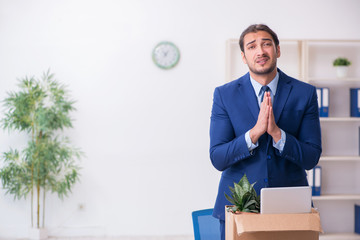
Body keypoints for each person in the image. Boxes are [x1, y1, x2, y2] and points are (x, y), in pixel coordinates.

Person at [209, 24, 322, 240]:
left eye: (266, 44)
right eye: (252, 47)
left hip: (292, 209)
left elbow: (311, 157)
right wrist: (253, 134)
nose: (260, 51)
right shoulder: (225, 95)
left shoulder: (304, 93)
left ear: (277, 50)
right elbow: (218, 157)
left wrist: (278, 134)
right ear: (244, 56)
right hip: (239, 209)